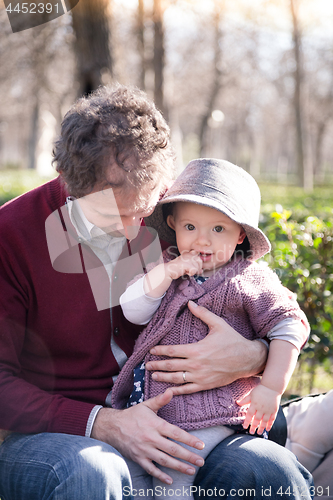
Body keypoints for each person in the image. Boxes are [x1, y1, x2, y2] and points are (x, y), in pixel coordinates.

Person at [0, 84, 313, 500]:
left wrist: (251, 355)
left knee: (268, 472)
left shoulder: (177, 214)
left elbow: (269, 307)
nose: (136, 230)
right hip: (63, 432)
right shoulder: (12, 237)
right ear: (70, 184)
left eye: (144, 210)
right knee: (93, 472)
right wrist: (100, 422)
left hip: (181, 417)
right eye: (113, 215)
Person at [112, 158, 310, 499]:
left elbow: (289, 325)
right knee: (131, 478)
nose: (201, 240)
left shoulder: (248, 278)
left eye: (218, 229)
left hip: (210, 416)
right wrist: (166, 274)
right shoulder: (167, 267)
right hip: (154, 412)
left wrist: (272, 388)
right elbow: (133, 311)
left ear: (240, 235)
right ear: (173, 224)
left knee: (173, 481)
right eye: (190, 227)